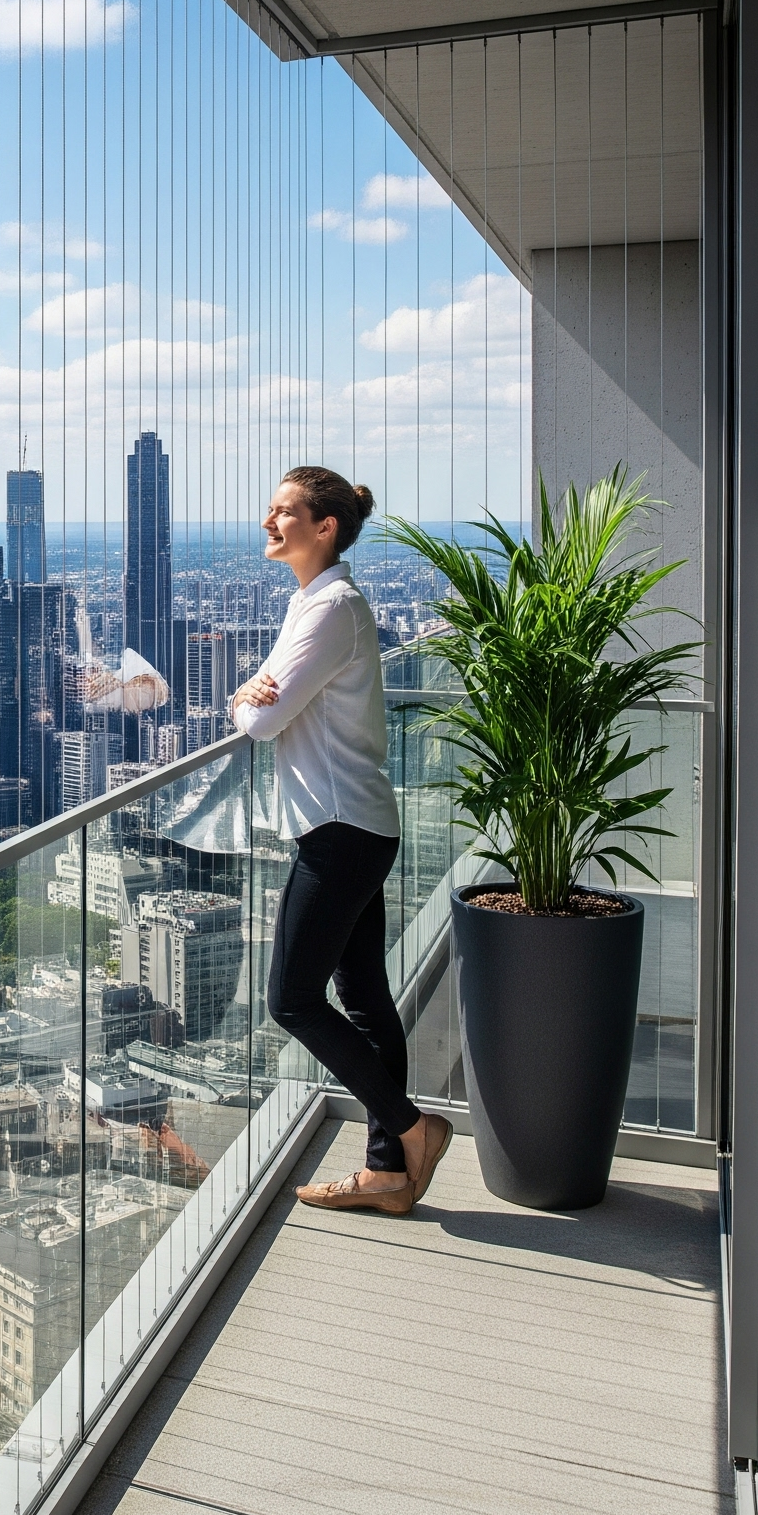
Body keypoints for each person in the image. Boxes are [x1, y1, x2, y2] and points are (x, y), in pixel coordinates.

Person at [230, 465, 452, 1214]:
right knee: (362, 997)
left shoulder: (329, 611)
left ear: (324, 527)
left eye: (283, 512)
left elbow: (262, 718)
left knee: (291, 999)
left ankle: (410, 1127)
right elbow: (269, 699)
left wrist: (244, 696)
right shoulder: (316, 603)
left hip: (338, 832)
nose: (269, 522)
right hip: (357, 823)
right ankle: (390, 1171)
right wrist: (252, 692)